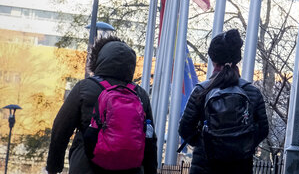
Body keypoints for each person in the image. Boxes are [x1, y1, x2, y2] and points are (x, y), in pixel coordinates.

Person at [46, 35, 158, 174]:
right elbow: (150, 139)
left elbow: (61, 129)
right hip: (131, 169)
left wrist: (53, 167)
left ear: (99, 60)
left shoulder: (85, 87)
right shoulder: (140, 94)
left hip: (86, 166)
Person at [178, 29, 269, 174]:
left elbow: (185, 128)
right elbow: (263, 129)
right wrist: (242, 144)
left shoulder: (201, 90)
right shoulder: (251, 92)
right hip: (240, 167)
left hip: (205, 167)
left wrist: (205, 143)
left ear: (213, 59)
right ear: (237, 59)